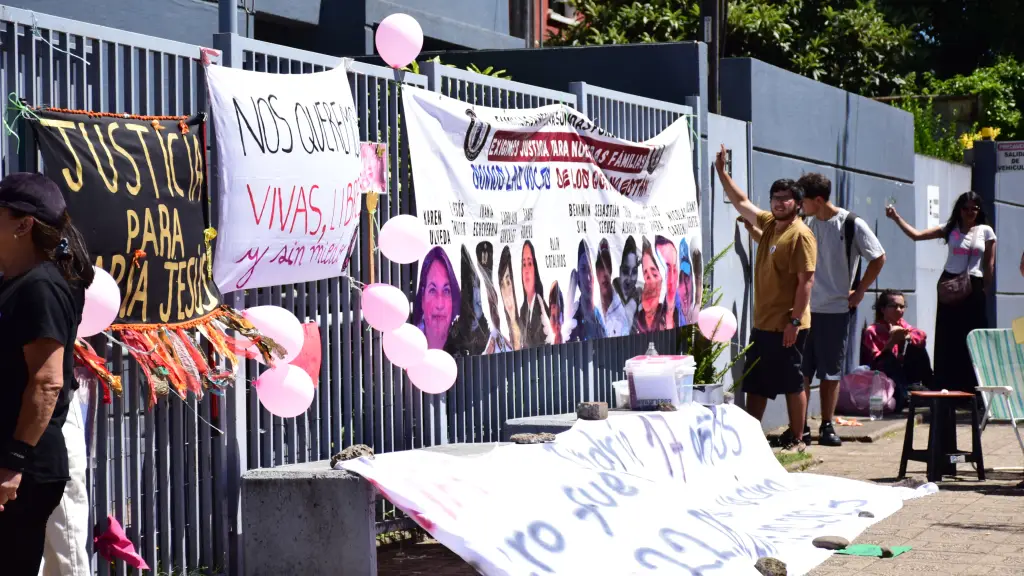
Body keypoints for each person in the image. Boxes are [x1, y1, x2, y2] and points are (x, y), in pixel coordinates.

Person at [0, 172, 94, 574]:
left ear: (23, 224)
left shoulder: (42, 287)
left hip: (24, 467)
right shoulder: (13, 281)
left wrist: (13, 463)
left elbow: (47, 381)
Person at [716, 145, 816, 451]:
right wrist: (721, 171)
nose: (780, 203)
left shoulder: (801, 235)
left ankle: (797, 438)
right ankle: (751, 438)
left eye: (786, 198)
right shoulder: (772, 225)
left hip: (788, 323)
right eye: (776, 198)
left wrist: (794, 321)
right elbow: (741, 202)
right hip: (763, 323)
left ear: (798, 204)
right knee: (756, 382)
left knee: (791, 382)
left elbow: (806, 281)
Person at [797, 173, 886, 447]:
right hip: (805, 309)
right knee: (802, 371)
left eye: (804, 200)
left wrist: (860, 291)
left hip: (835, 310)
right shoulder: (805, 222)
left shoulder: (850, 223)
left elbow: (878, 256)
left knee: (830, 372)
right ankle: (799, 426)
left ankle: (827, 424)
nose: (800, 205)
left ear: (819, 200)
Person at [886, 191, 996, 396]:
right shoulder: (950, 229)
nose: (970, 212)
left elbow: (989, 264)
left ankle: (974, 388)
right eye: (966, 208)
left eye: (974, 208)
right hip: (949, 285)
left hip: (974, 286)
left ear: (979, 210)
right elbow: (916, 235)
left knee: (972, 337)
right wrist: (896, 217)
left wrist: (985, 290)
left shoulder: (986, 231)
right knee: (948, 336)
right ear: (959, 210)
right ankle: (947, 385)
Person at [860, 289, 933, 412]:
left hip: (903, 372)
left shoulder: (902, 324)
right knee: (888, 358)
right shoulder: (872, 331)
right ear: (883, 309)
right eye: (894, 306)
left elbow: (921, 335)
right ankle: (905, 395)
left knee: (917, 346)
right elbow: (877, 361)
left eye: (902, 306)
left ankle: (929, 388)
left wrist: (908, 337)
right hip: (884, 377)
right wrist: (891, 343)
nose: (899, 310)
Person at [412, 246, 460, 350]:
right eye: (432, 290)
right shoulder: (410, 346)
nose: (440, 304)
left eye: (446, 291)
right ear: (422, 299)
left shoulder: (464, 347)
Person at [568, 240, 607, 341]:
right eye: (583, 269)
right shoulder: (573, 320)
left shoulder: (601, 316)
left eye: (589, 270)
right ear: (578, 276)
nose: (588, 277)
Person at [595, 239, 631, 336]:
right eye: (602, 267)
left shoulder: (624, 307)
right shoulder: (595, 312)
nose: (605, 274)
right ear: (596, 272)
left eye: (608, 266)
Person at [518, 241, 549, 348]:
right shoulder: (522, 310)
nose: (526, 270)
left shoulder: (543, 309)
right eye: (524, 264)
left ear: (535, 269)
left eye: (530, 263)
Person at [633, 237, 668, 334]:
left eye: (655, 274)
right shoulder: (633, 317)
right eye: (646, 275)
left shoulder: (668, 316)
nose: (650, 280)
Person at [497, 246, 523, 350]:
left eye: (508, 282)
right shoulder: (498, 337)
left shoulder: (532, 328)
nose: (507, 293)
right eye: (502, 285)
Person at [655, 236, 681, 329]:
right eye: (666, 269)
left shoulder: (684, 311)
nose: (672, 277)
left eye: (674, 268)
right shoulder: (649, 317)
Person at [614, 237, 640, 320]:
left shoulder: (641, 303)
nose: (629, 279)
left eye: (634, 272)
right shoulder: (608, 298)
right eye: (625, 271)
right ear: (620, 270)